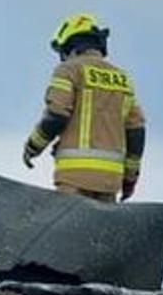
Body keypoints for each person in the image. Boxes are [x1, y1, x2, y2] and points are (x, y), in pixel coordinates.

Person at [21, 13, 145, 202]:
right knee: (100, 223)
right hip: (110, 182)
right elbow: (136, 132)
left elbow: (56, 116)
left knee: (68, 222)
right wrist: (130, 179)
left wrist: (33, 147)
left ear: (70, 48)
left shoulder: (68, 70)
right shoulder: (123, 80)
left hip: (73, 178)